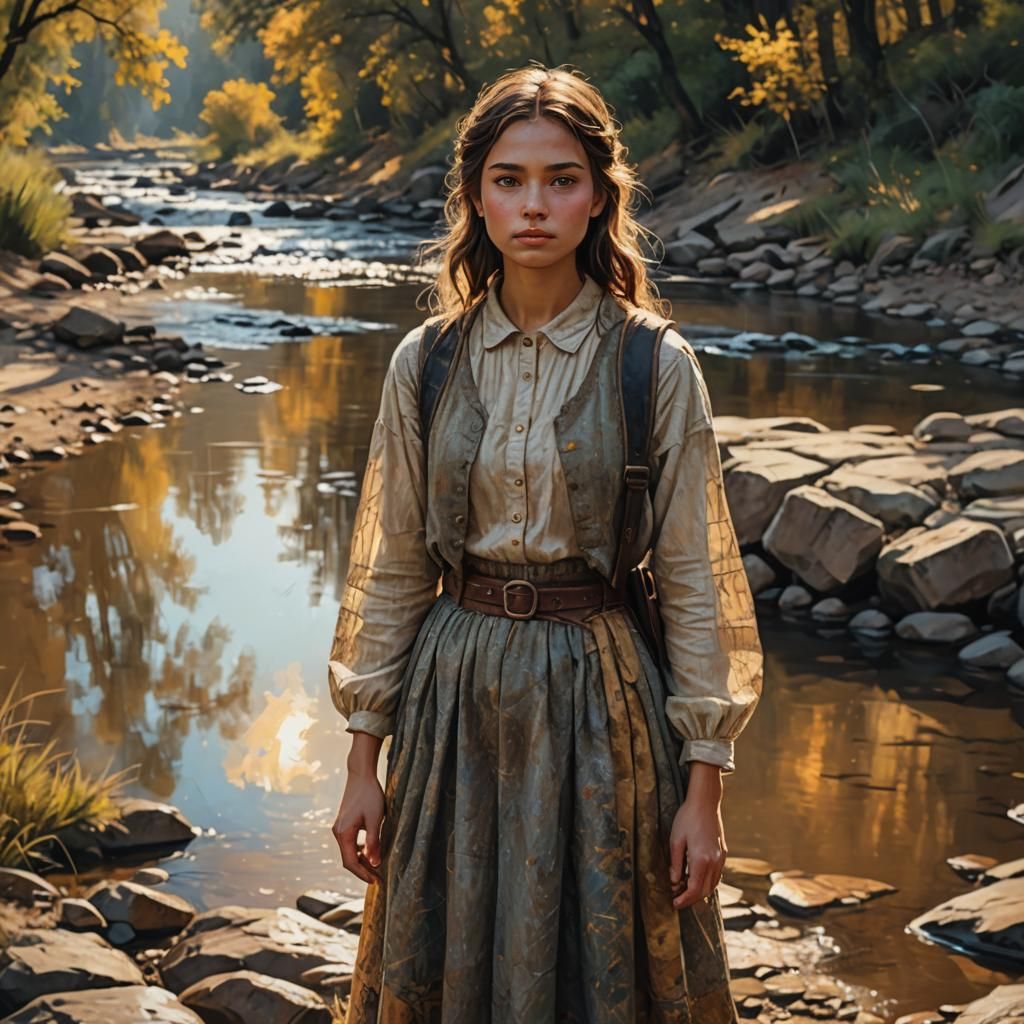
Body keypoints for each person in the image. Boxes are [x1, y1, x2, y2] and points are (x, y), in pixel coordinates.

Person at [327, 62, 764, 1024]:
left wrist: (706, 790)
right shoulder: (426, 362)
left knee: (600, 965)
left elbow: (696, 583)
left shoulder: (654, 362)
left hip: (603, 702)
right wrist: (362, 764)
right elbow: (394, 566)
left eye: (561, 179)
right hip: (453, 701)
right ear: (475, 197)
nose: (535, 204)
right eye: (509, 179)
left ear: (600, 196)